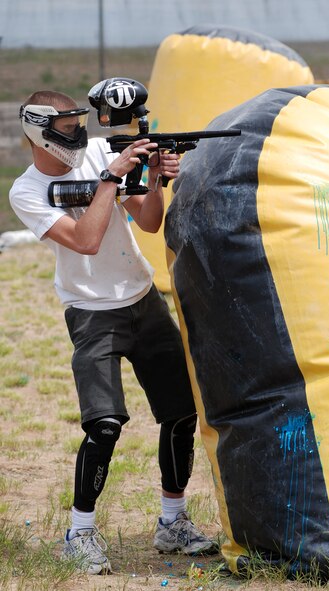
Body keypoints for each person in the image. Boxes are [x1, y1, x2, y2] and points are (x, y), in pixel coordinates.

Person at [9, 90, 217, 574]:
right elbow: (86, 240)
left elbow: (147, 222)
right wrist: (110, 178)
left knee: (181, 412)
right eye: (65, 126)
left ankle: (173, 521)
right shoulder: (26, 190)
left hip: (142, 300)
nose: (77, 132)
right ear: (39, 129)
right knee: (104, 425)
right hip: (91, 313)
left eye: (79, 122)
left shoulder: (103, 153)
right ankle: (79, 534)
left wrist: (156, 179)